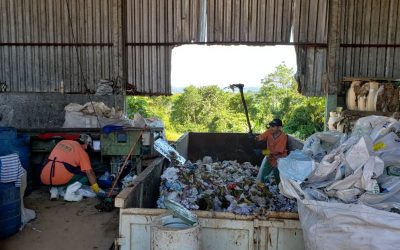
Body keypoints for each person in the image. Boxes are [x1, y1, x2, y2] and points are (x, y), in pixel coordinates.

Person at [40, 134, 103, 201]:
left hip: (44, 177)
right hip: (60, 177)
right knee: (86, 174)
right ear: (86, 145)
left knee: (57, 168)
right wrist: (96, 189)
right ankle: (70, 194)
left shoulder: (62, 142)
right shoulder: (82, 151)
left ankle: (54, 191)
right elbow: (89, 172)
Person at [255, 118, 288, 184]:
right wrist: (255, 138)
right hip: (270, 158)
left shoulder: (283, 137)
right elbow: (261, 137)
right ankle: (261, 189)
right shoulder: (269, 132)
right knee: (263, 175)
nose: (271, 128)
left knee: (278, 178)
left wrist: (263, 152)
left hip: (279, 160)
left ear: (279, 127)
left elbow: (277, 152)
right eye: (270, 126)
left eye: (273, 126)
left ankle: (280, 192)